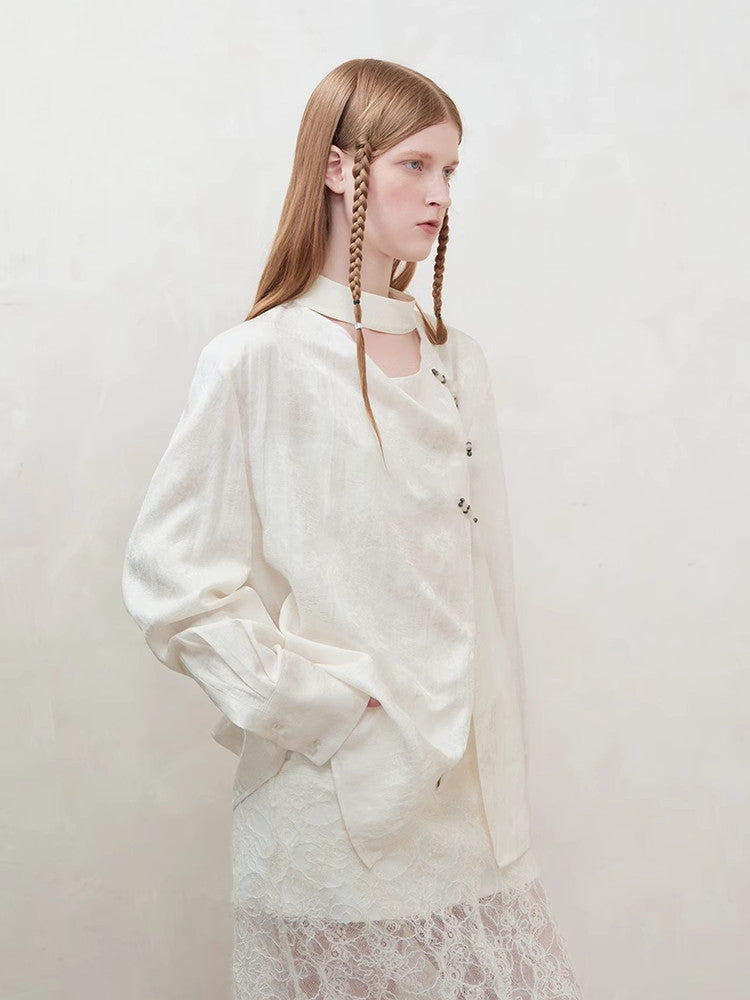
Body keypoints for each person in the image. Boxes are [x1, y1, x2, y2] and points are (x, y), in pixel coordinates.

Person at [122, 58, 583, 1000]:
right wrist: (324, 707)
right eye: (416, 165)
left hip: (477, 814)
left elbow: (479, 587)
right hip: (333, 812)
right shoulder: (256, 361)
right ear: (339, 167)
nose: (439, 194)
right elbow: (173, 586)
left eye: (450, 170)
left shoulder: (459, 362)